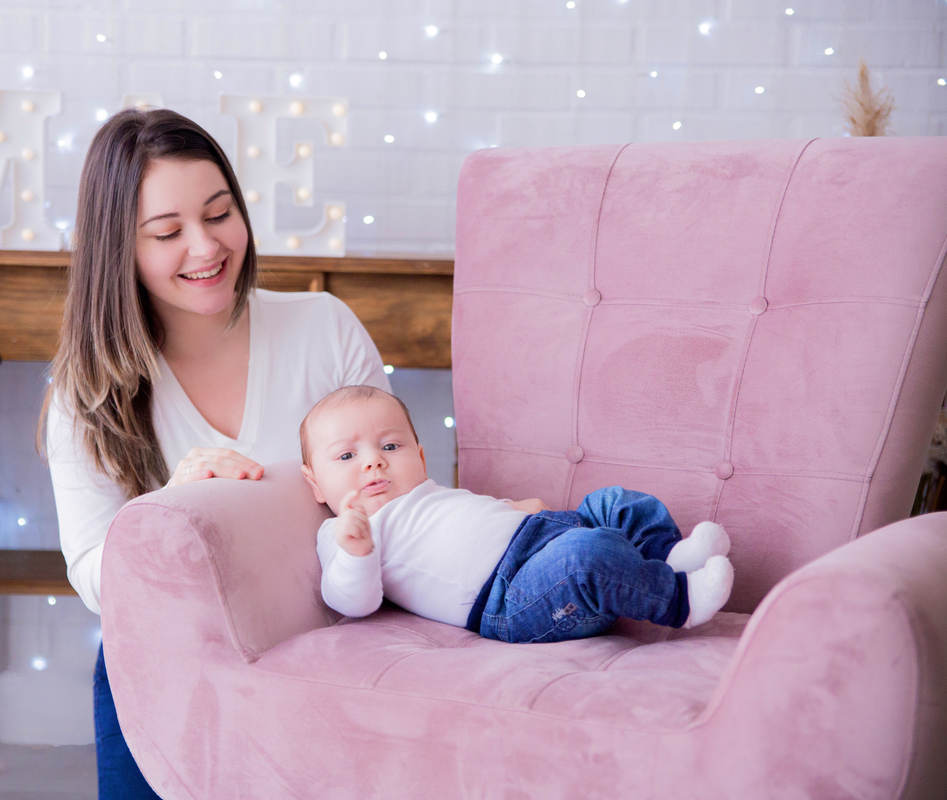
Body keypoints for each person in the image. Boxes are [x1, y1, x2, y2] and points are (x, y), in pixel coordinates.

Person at [42, 109, 390, 799]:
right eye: (168, 233)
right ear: (120, 251)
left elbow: (400, 492)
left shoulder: (324, 328)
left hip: (329, 642)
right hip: (175, 668)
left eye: (220, 213)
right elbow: (92, 578)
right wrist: (171, 508)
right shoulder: (85, 394)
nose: (206, 247)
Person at [299, 385, 735, 643]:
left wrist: (512, 513)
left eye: (390, 446)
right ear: (315, 482)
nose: (374, 461)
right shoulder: (344, 531)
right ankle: (680, 601)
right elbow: (352, 602)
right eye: (346, 456)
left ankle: (669, 556)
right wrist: (356, 552)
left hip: (538, 535)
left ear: (422, 457)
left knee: (613, 501)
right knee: (587, 555)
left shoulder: (425, 494)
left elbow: (465, 521)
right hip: (513, 599)